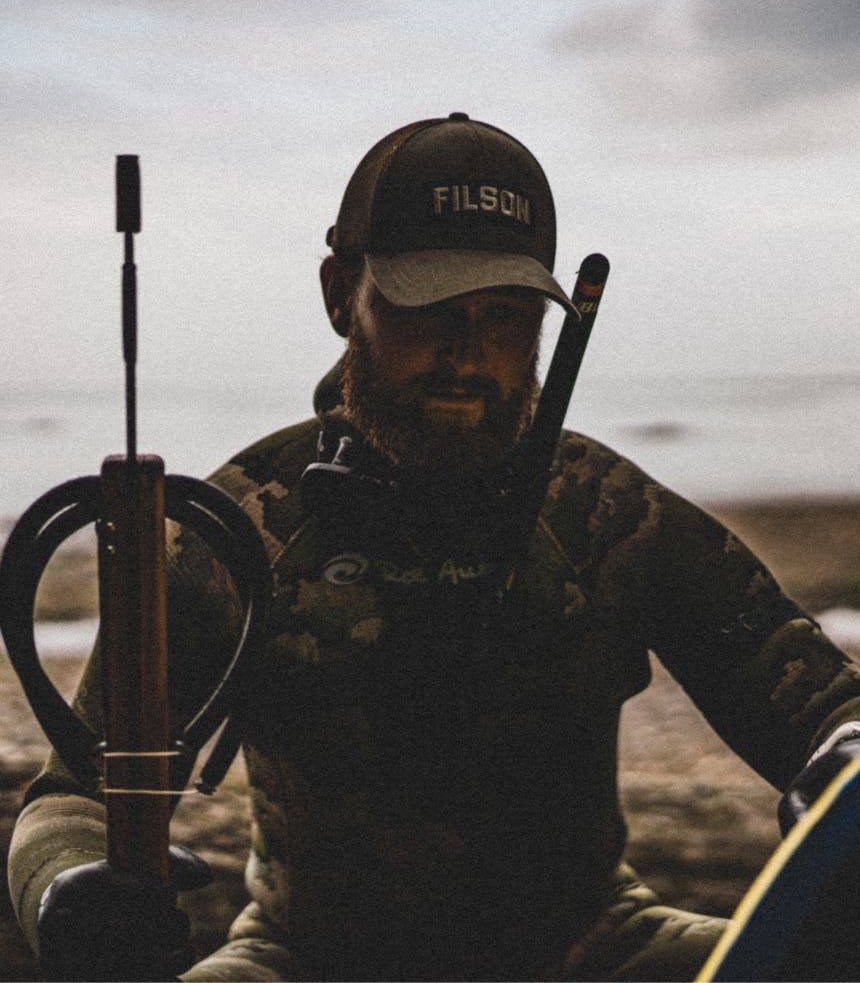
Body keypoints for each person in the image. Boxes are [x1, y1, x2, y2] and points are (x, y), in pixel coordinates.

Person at [7, 112, 860, 981]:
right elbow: (72, 794)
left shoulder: (606, 513)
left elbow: (806, 690)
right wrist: (69, 888)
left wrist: (846, 753)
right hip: (305, 959)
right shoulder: (240, 531)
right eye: (431, 310)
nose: (469, 352)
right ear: (343, 293)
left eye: (506, 315)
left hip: (596, 946)